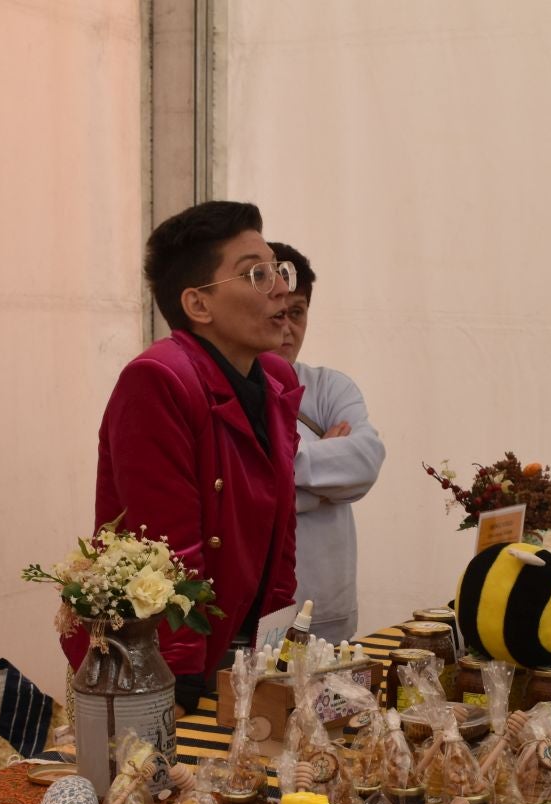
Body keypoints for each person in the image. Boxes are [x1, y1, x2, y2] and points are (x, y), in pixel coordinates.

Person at [66, 201, 302, 710]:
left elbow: (282, 529)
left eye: (278, 269)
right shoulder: (159, 379)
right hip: (161, 656)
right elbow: (169, 549)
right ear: (198, 305)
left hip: (243, 646)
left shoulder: (278, 379)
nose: (282, 286)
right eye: (256, 274)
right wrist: (181, 682)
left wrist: (276, 650)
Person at [268, 242, 387, 643]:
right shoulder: (224, 392)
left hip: (327, 611)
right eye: (277, 313)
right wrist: (324, 488)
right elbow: (241, 492)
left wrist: (279, 469)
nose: (287, 327)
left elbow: (366, 461)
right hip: (257, 615)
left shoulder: (330, 386)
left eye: (297, 313)